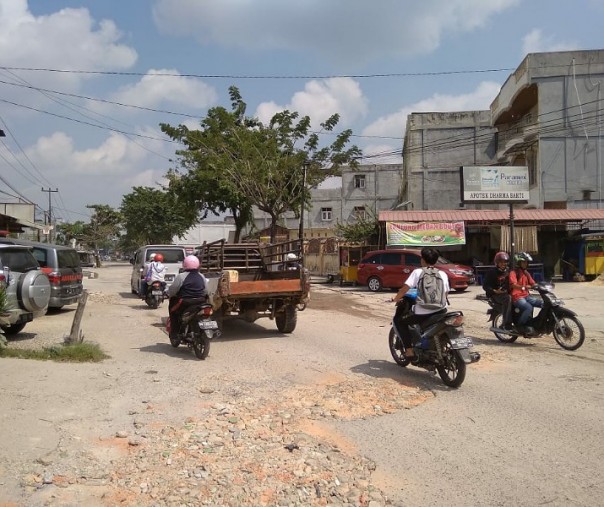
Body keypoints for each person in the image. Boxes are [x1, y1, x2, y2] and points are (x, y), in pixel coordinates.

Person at [391, 247, 450, 358]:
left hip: (423, 313)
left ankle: (409, 350)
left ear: (422, 259)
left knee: (399, 321)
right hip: (441, 310)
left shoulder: (418, 272)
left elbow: (404, 289)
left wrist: (396, 298)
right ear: (436, 260)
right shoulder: (443, 274)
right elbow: (446, 293)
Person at [167, 255, 208, 340]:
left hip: (185, 302)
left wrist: (168, 294)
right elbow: (206, 290)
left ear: (184, 264)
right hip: (200, 301)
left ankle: (174, 333)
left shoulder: (181, 276)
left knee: (173, 311)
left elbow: (173, 290)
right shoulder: (201, 276)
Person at [509, 251, 543, 335]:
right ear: (519, 263)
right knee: (528, 307)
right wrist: (523, 287)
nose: (525, 264)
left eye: (526, 262)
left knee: (543, 303)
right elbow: (513, 285)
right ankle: (519, 326)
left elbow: (533, 283)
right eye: (524, 262)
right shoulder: (513, 273)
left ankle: (536, 323)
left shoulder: (526, 273)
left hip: (526, 296)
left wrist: (541, 286)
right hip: (517, 297)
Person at [482, 251, 513, 330]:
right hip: (494, 295)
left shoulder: (508, 271)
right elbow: (485, 286)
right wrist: (494, 291)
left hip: (505, 293)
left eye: (505, 262)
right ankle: (505, 324)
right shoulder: (492, 272)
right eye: (501, 262)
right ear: (497, 263)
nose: (503, 264)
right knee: (508, 298)